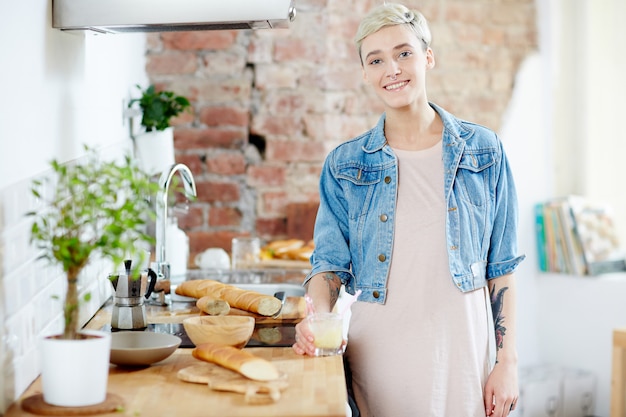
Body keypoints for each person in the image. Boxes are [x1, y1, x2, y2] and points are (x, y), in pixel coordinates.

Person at [292, 3, 526, 417]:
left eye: (404, 53)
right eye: (376, 60)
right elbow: (328, 265)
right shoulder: (346, 166)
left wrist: (506, 362)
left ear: (427, 57)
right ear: (365, 73)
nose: (392, 69)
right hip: (379, 357)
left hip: (465, 354)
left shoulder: (484, 151)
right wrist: (316, 320)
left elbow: (501, 267)